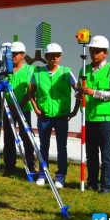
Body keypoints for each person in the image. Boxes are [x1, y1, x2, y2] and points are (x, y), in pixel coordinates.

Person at [74, 35, 110, 194]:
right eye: (92, 50)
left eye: (98, 51)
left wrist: (94, 93)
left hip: (105, 119)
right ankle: (92, 183)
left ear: (105, 53)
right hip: (88, 117)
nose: (94, 53)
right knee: (91, 154)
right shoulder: (84, 69)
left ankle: (106, 186)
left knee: (106, 155)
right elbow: (79, 91)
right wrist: (79, 95)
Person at [29, 43, 79, 188]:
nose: (55, 58)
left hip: (61, 116)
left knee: (61, 147)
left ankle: (60, 176)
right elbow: (31, 93)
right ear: (46, 57)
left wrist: (75, 110)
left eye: (58, 55)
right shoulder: (37, 73)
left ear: (61, 56)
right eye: (52, 55)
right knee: (43, 146)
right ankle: (43, 174)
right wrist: (36, 109)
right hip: (44, 116)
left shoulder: (66, 72)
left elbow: (78, 92)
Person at [2, 42, 37, 175]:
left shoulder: (30, 70)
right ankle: (9, 166)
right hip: (8, 109)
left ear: (22, 55)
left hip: (24, 110)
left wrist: (19, 107)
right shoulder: (6, 70)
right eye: (12, 54)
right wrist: (9, 106)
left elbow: (31, 92)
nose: (13, 57)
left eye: (16, 54)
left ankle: (31, 166)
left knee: (27, 137)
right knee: (8, 138)